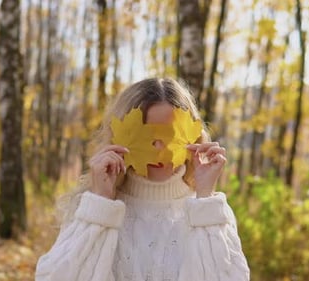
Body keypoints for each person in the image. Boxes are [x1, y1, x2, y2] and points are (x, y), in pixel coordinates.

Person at [35, 78, 250, 281]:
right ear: (119, 136)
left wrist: (205, 201)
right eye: (145, 137)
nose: (158, 148)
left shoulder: (209, 211)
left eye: (170, 136)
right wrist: (99, 205)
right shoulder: (92, 206)